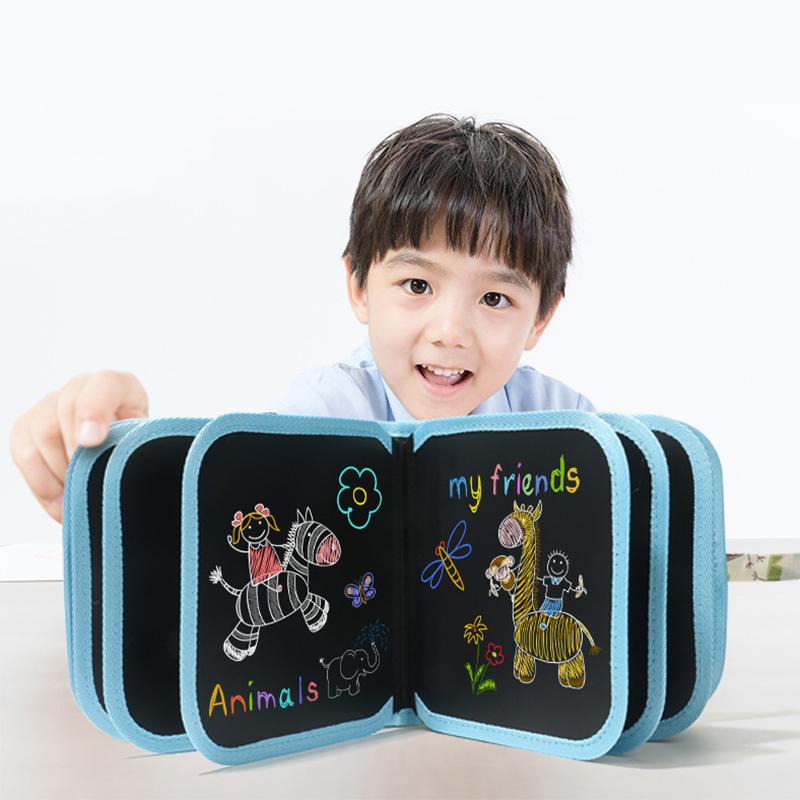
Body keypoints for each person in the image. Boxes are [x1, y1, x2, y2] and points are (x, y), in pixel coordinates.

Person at [9, 113, 596, 524]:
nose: (450, 332)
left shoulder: (568, 428)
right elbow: (230, 528)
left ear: (540, 319)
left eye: (495, 299)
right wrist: (131, 467)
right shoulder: (322, 415)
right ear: (359, 288)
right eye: (417, 285)